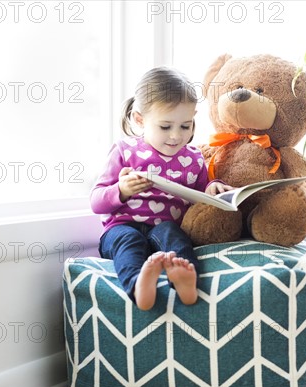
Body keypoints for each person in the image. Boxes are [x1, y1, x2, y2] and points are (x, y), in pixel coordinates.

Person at [90, 67, 232, 311]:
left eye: (185, 126)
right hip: (121, 227)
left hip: (164, 229)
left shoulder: (194, 157)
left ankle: (187, 280)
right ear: (139, 119)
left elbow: (198, 194)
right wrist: (122, 190)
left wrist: (212, 187)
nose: (176, 136)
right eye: (165, 127)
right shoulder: (125, 150)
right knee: (129, 241)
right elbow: (96, 202)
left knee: (174, 236)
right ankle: (138, 286)